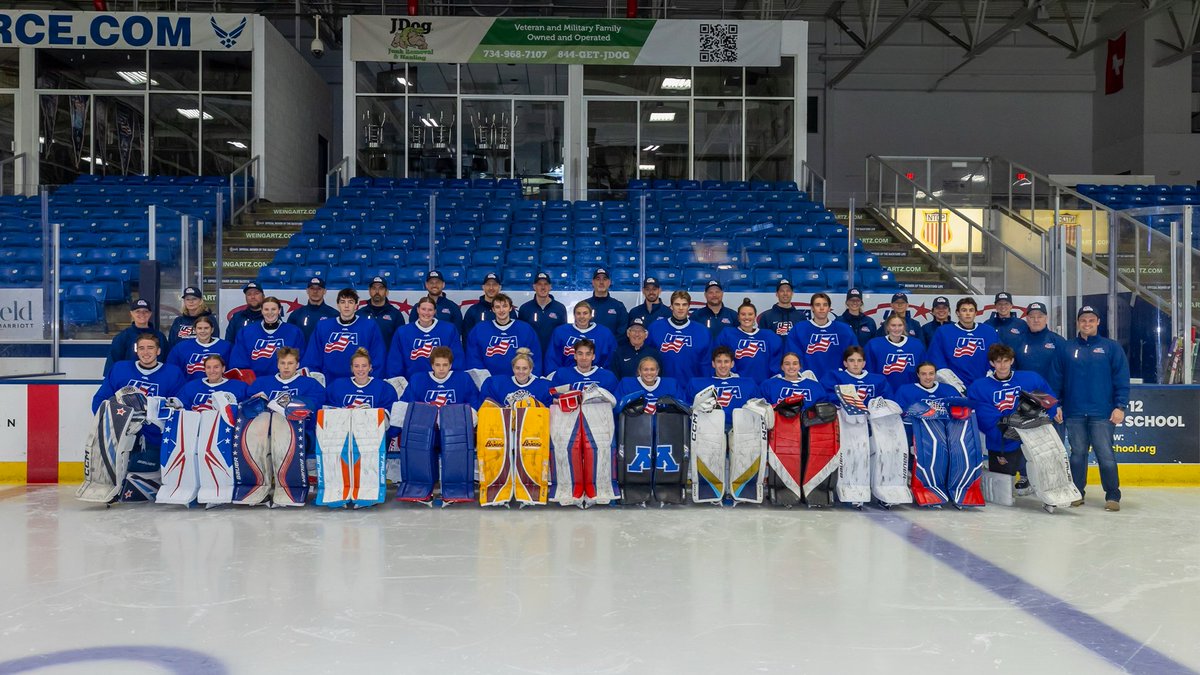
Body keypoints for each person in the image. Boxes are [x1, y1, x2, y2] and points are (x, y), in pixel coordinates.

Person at [1061, 305, 1130, 511]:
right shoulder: (1067, 348)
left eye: (1091, 320)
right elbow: (1057, 378)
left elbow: (1121, 379)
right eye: (1083, 320)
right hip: (1074, 412)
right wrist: (1056, 404)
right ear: (1078, 323)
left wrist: (1120, 406)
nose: (1087, 323)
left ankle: (1113, 495)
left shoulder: (1111, 347)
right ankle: (1077, 493)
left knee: (1105, 455)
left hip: (1102, 413)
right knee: (1077, 454)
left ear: (1098, 322)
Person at [92, 333, 184, 473]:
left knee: (139, 483)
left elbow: (178, 408)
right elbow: (100, 401)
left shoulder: (173, 373)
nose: (145, 352)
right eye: (141, 348)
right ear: (136, 350)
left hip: (154, 440)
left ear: (158, 351)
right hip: (121, 435)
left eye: (150, 348)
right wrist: (111, 426)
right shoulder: (119, 369)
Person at [967, 343, 1060, 483]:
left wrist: (1042, 417)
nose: (1002, 365)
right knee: (1003, 487)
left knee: (1037, 473)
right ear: (992, 363)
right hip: (1002, 439)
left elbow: (1048, 401)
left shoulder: (1030, 379)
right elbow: (981, 413)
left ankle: (1026, 477)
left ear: (1012, 361)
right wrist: (1007, 425)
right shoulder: (979, 387)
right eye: (998, 361)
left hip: (1031, 437)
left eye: (1006, 361)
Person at [303, 288, 387, 380]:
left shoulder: (369, 326)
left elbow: (378, 357)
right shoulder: (323, 326)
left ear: (356, 305)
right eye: (343, 302)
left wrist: (371, 382)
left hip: (360, 381)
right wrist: (315, 380)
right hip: (329, 381)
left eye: (350, 302)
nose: (346, 306)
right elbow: (312, 357)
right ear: (338, 305)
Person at [247, 347, 325, 438]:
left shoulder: (311, 384)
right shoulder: (261, 383)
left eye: (290, 363)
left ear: (297, 365)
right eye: (282, 363)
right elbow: (248, 406)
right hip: (265, 433)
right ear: (277, 365)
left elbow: (313, 407)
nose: (286, 367)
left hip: (299, 433)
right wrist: (259, 402)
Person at [927, 296, 1001, 388]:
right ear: (957, 313)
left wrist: (992, 373)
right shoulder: (943, 332)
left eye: (971, 310)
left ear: (976, 313)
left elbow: (999, 355)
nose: (968, 313)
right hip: (954, 386)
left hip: (983, 385)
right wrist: (950, 381)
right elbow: (936, 358)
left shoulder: (989, 331)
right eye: (964, 310)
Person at [464, 293, 542, 377]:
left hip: (519, 382)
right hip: (489, 383)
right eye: (497, 307)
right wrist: (483, 380)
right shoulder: (479, 329)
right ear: (493, 309)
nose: (501, 310)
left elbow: (535, 356)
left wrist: (527, 380)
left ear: (510, 308)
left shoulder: (525, 329)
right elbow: (473, 357)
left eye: (505, 306)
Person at [386, 296, 464, 380]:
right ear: (418, 310)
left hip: (442, 382)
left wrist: (453, 381)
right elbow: (395, 362)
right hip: (412, 384)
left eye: (430, 310)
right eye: (423, 309)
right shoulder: (402, 332)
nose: (426, 313)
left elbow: (457, 358)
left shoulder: (449, 329)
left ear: (435, 311)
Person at [785, 292, 858, 380]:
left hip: (837, 381)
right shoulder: (799, 329)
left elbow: (854, 355)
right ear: (812, 308)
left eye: (825, 305)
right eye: (817, 305)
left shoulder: (844, 330)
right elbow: (793, 355)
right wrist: (802, 373)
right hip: (808, 381)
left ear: (829, 308)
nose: (822, 308)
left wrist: (845, 374)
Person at [230, 296, 307, 378]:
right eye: (266, 309)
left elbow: (300, 359)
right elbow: (239, 362)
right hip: (256, 383)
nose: (270, 312)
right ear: (261, 311)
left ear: (279, 310)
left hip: (284, 381)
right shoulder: (246, 332)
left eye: (273, 309)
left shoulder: (294, 332)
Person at [688, 346, 762, 427]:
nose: (723, 365)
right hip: (709, 430)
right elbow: (687, 409)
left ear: (732, 364)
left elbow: (759, 409)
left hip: (741, 429)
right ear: (713, 364)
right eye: (719, 361)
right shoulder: (697, 384)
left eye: (726, 361)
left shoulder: (748, 384)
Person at [647, 290, 711, 382]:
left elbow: (706, 364)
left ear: (689, 306)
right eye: (677, 304)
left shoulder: (702, 332)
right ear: (671, 306)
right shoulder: (655, 327)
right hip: (662, 386)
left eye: (684, 305)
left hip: (691, 387)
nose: (681, 308)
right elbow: (646, 357)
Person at [714, 298, 782, 383]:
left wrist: (773, 376)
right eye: (743, 314)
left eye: (750, 314)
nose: (746, 317)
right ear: (738, 317)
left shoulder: (769, 335)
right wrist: (732, 374)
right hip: (737, 383)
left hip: (763, 384)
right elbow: (719, 356)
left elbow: (776, 358)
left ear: (755, 317)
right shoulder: (728, 334)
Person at [893, 361, 961, 443]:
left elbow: (960, 412)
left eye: (931, 373)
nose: (928, 377)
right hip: (917, 436)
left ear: (935, 374)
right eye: (923, 374)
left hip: (947, 436)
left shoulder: (949, 390)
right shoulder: (904, 391)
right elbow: (899, 415)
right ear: (918, 375)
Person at [1012, 302, 1066, 396]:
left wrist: (1059, 401)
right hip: (1024, 397)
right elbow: (1011, 370)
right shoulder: (1017, 341)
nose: (1036, 320)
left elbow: (1065, 372)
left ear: (1046, 318)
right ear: (1027, 319)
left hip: (1050, 396)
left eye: (1040, 316)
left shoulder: (1058, 341)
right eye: (1032, 317)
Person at [400, 346, 480, 409]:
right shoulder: (417, 380)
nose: (441, 369)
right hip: (424, 425)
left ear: (450, 365)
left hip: (455, 425)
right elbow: (404, 405)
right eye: (437, 365)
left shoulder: (464, 379)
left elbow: (474, 404)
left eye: (445, 365)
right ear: (432, 365)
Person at [546, 302, 617, 372]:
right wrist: (554, 375)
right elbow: (552, 357)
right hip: (568, 375)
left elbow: (612, 358)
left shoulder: (604, 333)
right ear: (574, 315)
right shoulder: (560, 332)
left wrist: (604, 375)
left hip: (596, 376)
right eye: (578, 313)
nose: (582, 316)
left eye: (585, 313)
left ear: (590, 315)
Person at [103, 298, 168, 375]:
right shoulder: (122, 337)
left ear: (150, 314)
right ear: (131, 313)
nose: (142, 314)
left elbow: (166, 362)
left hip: (155, 380)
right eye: (138, 311)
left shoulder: (160, 337)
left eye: (145, 311)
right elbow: (112, 364)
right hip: (129, 380)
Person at [866, 314, 926, 391]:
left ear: (904, 326)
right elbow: (869, 371)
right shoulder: (874, 345)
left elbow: (923, 369)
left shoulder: (916, 344)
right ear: (887, 327)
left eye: (900, 325)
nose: (896, 329)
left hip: (911, 392)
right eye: (893, 325)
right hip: (884, 392)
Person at [325, 348, 399, 410]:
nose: (360, 369)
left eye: (364, 366)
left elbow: (388, 416)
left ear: (370, 367)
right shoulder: (337, 386)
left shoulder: (383, 388)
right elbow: (329, 411)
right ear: (352, 368)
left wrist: (370, 413)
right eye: (356, 366)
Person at [819, 345, 892, 406]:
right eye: (851, 360)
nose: (856, 364)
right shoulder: (835, 377)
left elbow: (888, 402)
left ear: (864, 364)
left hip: (872, 419)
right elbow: (826, 397)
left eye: (859, 360)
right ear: (845, 363)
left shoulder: (878, 380)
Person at [479, 348, 553, 406]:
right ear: (513, 368)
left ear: (531, 369)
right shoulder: (498, 384)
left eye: (525, 368)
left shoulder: (543, 386)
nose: (521, 372)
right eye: (517, 368)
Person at [166, 315, 231, 380]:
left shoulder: (226, 346)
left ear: (212, 330)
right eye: (199, 328)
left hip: (219, 387)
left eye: (206, 328)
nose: (203, 331)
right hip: (190, 387)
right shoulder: (181, 347)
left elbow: (231, 371)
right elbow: (171, 370)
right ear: (194, 330)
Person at [546, 338, 619, 394]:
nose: (584, 358)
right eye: (580, 354)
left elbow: (614, 404)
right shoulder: (562, 374)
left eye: (588, 354)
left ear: (593, 356)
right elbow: (552, 399)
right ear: (575, 356)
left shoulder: (607, 376)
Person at [517, 272, 567, 353]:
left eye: (546, 284)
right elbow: (521, 334)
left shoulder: (560, 308)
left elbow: (563, 334)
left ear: (550, 287)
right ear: (534, 287)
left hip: (553, 355)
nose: (543, 287)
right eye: (539, 284)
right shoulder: (525, 308)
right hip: (531, 355)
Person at [177, 354, 248, 410]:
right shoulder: (191, 386)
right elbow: (182, 408)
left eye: (216, 367)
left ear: (223, 369)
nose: (212, 371)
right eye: (208, 367)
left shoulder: (239, 387)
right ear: (204, 369)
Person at [615, 357, 686, 410]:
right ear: (639, 371)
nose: (649, 373)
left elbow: (684, 407)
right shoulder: (626, 384)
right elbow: (617, 407)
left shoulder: (672, 385)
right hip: (635, 426)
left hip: (665, 426)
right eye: (645, 369)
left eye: (652, 369)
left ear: (657, 371)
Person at [356, 275, 406, 347]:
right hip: (365, 357)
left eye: (381, 288)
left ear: (386, 292)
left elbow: (401, 341)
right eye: (374, 288)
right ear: (369, 291)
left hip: (388, 357)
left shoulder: (396, 315)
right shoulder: (360, 314)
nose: (377, 291)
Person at [759, 352, 825, 405]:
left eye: (795, 364)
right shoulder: (769, 385)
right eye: (787, 364)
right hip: (778, 420)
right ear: (782, 367)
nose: (791, 367)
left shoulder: (815, 386)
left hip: (807, 421)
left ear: (800, 366)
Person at [166, 286, 218, 354]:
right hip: (181, 357)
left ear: (201, 301)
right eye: (188, 299)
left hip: (201, 357)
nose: (191, 302)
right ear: (184, 301)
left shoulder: (209, 319)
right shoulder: (178, 321)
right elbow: (172, 344)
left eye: (194, 299)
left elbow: (215, 342)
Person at [287, 277, 338, 341]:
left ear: (324, 291)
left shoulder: (334, 315)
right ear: (307, 290)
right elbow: (289, 337)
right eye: (312, 288)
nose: (315, 291)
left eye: (319, 289)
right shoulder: (296, 315)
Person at [586, 267, 629, 337]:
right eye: (598, 279)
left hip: (611, 347)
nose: (601, 282)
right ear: (593, 282)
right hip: (588, 347)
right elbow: (579, 330)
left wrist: (609, 345)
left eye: (605, 279)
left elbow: (622, 332)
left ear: (609, 282)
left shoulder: (618, 306)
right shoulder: (584, 305)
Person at [461, 272, 502, 343]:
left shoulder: (507, 311)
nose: (491, 288)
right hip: (479, 353)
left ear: (500, 287)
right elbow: (466, 336)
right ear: (483, 287)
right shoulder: (473, 310)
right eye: (488, 284)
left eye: (494, 285)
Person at [224, 281, 265, 347]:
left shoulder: (269, 317)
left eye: (256, 293)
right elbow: (229, 342)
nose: (252, 297)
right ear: (246, 298)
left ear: (263, 296)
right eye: (249, 294)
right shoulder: (237, 317)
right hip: (241, 356)